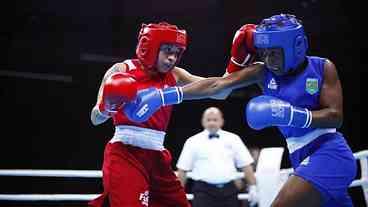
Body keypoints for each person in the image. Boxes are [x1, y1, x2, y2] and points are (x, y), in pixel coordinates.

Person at [124, 14, 357, 207]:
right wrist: (164, 96)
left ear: (294, 47)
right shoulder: (262, 72)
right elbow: (217, 86)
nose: (267, 58)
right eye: (263, 52)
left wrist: (289, 114)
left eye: (273, 52)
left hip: (329, 152)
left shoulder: (322, 67)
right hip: (299, 155)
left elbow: (335, 117)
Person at [88, 21, 259, 207]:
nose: (172, 58)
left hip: (158, 157)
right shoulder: (121, 70)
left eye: (176, 53)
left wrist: (237, 64)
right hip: (125, 153)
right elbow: (95, 118)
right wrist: (108, 106)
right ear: (150, 48)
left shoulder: (176, 75)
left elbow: (220, 91)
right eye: (167, 51)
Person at [176, 107, 257, 207]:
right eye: (208, 120)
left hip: (229, 190)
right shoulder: (192, 141)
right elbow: (182, 169)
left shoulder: (233, 139)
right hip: (203, 191)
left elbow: (246, 164)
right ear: (203, 121)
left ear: (221, 121)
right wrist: (178, 194)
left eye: (215, 120)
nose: (212, 123)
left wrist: (253, 187)